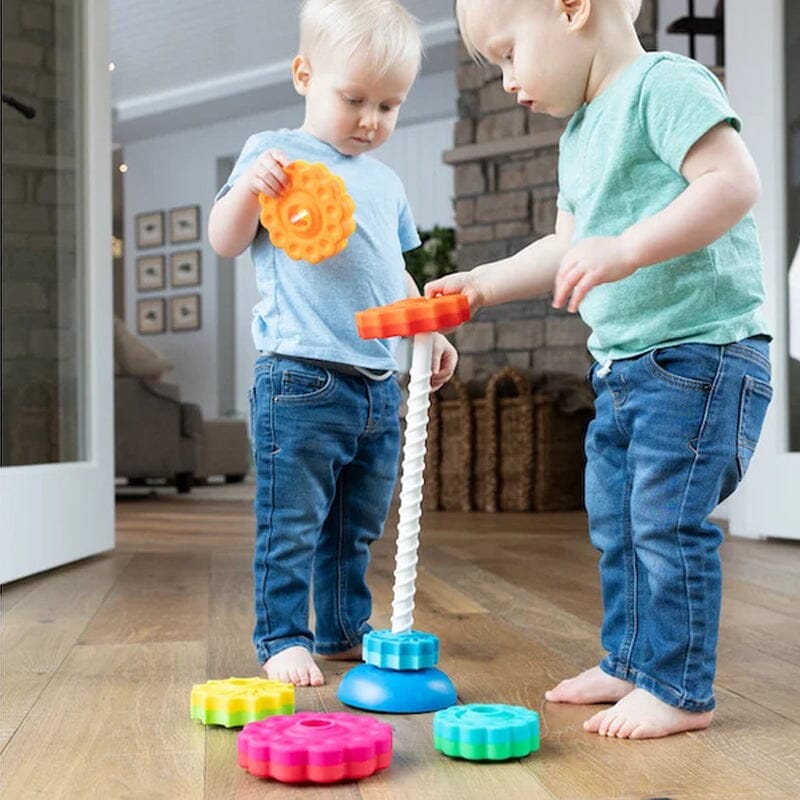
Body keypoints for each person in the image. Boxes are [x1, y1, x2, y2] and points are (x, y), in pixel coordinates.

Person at [426, 0, 772, 739]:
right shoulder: (580, 134)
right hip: (624, 369)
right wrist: (482, 282)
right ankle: (631, 661)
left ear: (572, 7)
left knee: (665, 523)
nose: (509, 79)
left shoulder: (665, 83)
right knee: (618, 524)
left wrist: (629, 249)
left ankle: (680, 688)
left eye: (511, 52)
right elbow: (564, 245)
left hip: (700, 356)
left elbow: (732, 183)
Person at [208, 0, 458, 688]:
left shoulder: (385, 181)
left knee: (356, 524)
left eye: (389, 105)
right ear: (304, 75)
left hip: (378, 385)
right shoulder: (273, 156)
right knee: (291, 522)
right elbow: (225, 240)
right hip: (301, 380)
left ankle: (344, 628)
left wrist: (427, 330)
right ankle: (284, 636)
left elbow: (394, 271)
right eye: (354, 99)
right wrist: (247, 193)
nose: (371, 119)